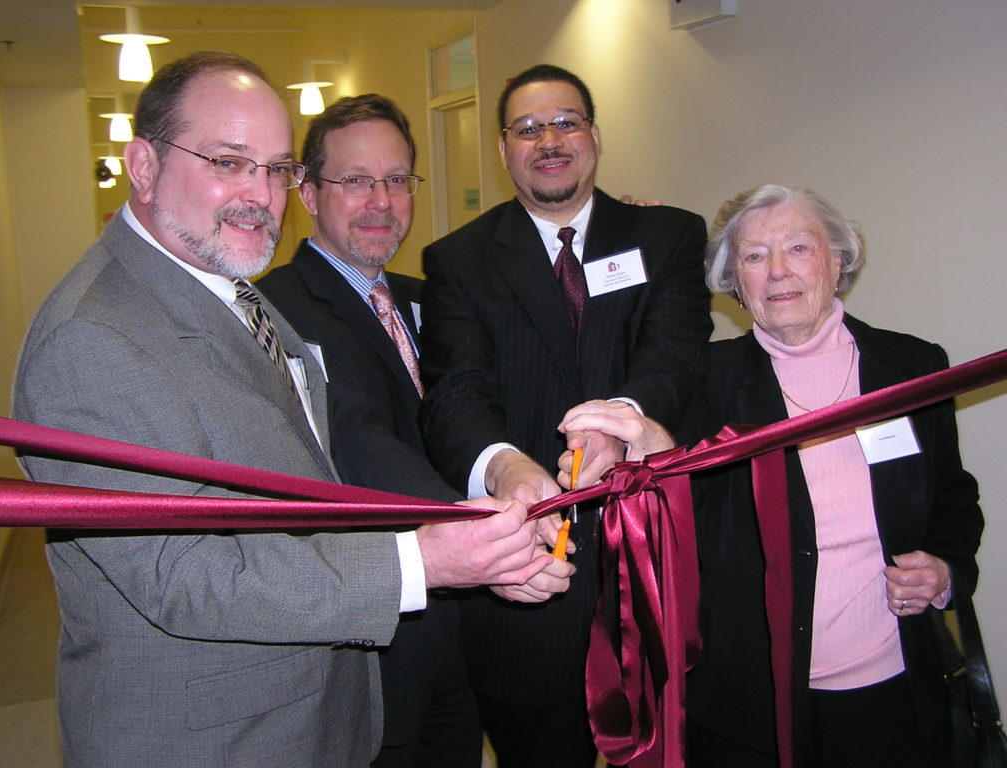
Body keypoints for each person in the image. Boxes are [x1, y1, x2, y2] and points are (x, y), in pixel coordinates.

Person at [12, 52, 556, 768]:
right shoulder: (94, 336)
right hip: (210, 735)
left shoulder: (228, 285)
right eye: (228, 162)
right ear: (142, 166)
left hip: (308, 705)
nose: (259, 194)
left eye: (273, 169)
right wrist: (420, 558)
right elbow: (184, 575)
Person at [559, 184, 985, 767]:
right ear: (735, 281)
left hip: (895, 690)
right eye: (755, 256)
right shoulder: (705, 381)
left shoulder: (911, 367)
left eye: (799, 249)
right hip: (752, 705)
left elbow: (954, 500)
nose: (778, 271)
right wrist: (636, 452)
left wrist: (946, 570)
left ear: (839, 261)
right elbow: (676, 492)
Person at [259, 94, 575, 767]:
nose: (381, 201)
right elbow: (355, 435)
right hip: (376, 644)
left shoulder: (429, 293)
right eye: (356, 181)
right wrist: (481, 532)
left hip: (459, 638)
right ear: (309, 194)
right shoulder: (278, 309)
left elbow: (524, 355)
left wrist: (614, 242)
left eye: (397, 180)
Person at [418, 63, 713, 766]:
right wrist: (508, 466)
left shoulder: (667, 236)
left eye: (565, 121)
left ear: (595, 136)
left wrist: (622, 424)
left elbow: (673, 353)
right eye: (526, 128)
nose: (547, 139)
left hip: (650, 577)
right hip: (528, 595)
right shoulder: (458, 260)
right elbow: (454, 392)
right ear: (502, 150)